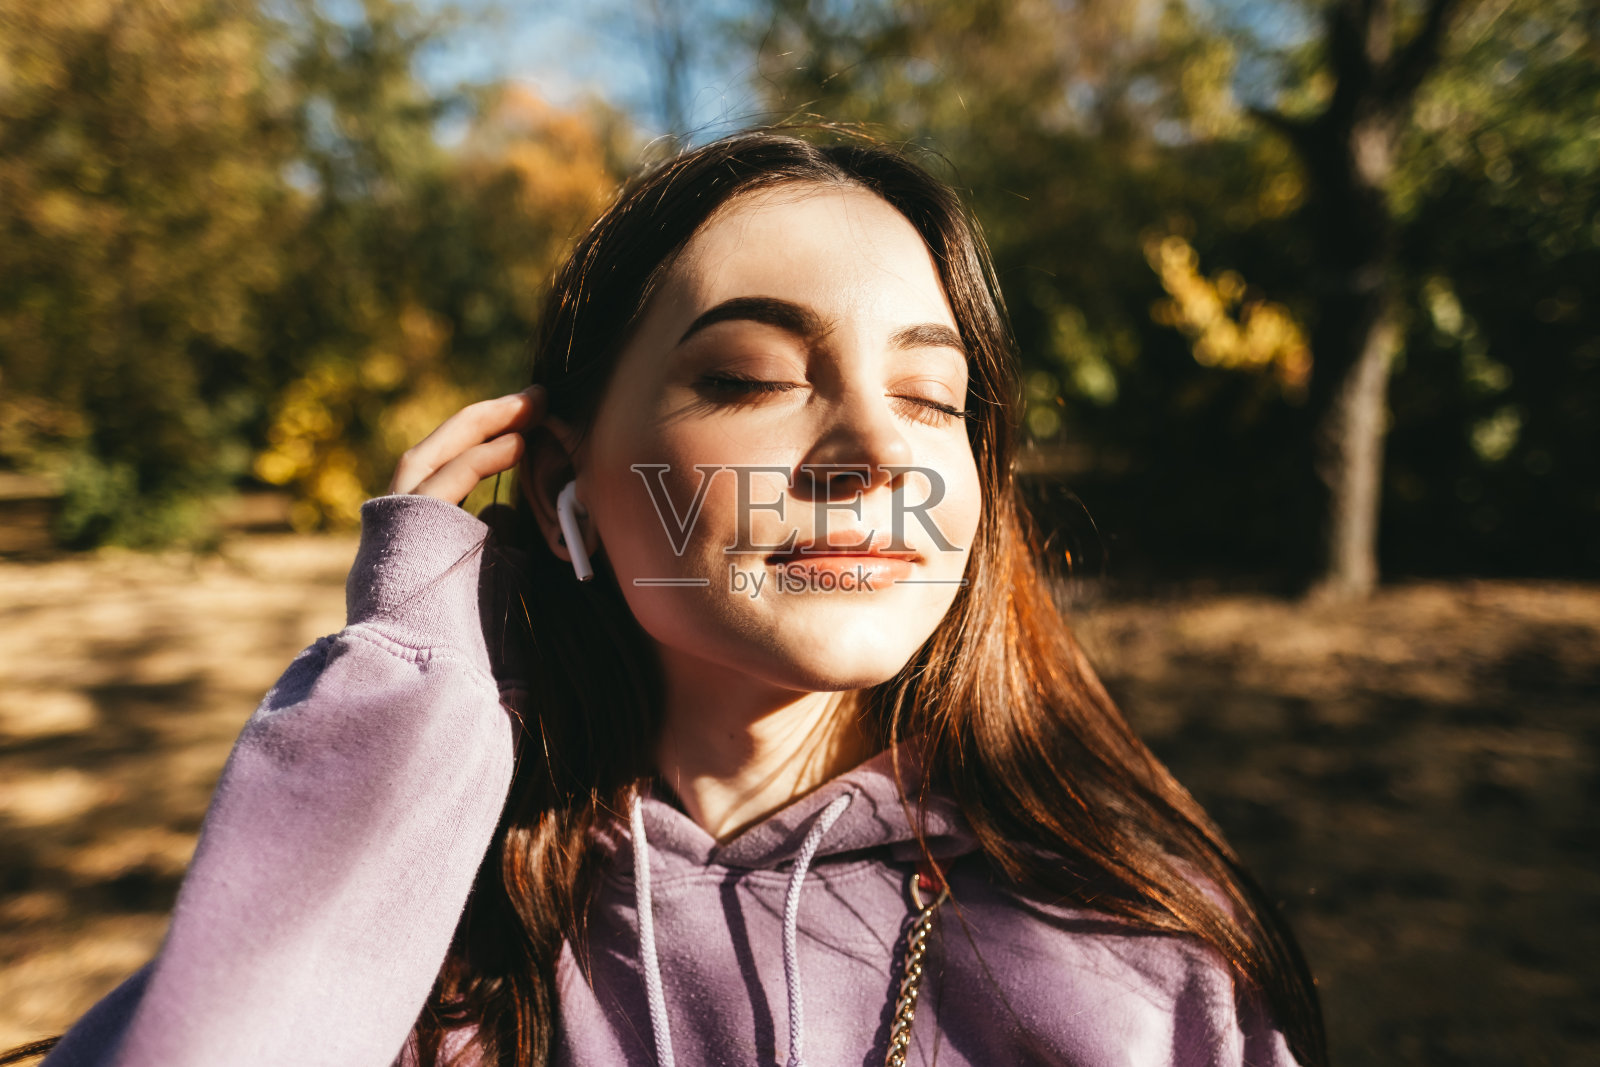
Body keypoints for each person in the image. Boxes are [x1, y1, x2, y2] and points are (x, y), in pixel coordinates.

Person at [10, 131, 1326, 1067]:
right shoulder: (427, 950)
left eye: (935, 396)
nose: (874, 448)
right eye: (752, 376)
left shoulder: (1132, 967)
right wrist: (410, 682)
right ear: (567, 483)